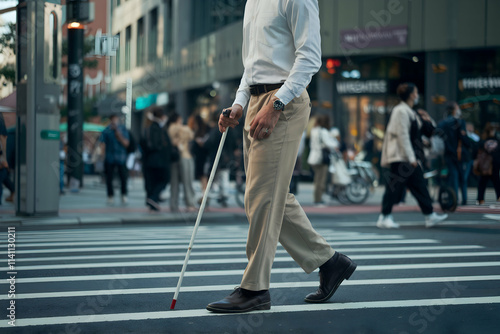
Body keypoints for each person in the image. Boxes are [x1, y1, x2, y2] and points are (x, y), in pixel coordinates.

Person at [208, 0, 356, 314]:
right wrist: (238, 103)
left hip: (283, 102)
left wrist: (277, 105)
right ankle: (331, 262)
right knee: (269, 195)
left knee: (262, 197)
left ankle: (254, 288)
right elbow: (252, 66)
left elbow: (310, 57)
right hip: (255, 100)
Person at [377, 83, 448, 229]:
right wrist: (411, 158)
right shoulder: (401, 111)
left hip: (408, 157)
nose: (417, 95)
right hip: (401, 157)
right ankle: (385, 216)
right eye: (415, 92)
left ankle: (429, 215)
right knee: (395, 187)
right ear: (411, 95)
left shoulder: (411, 111)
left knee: (417, 186)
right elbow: (402, 135)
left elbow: (423, 132)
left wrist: (427, 120)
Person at [437, 102, 471, 205]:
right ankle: (464, 199)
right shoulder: (460, 122)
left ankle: (454, 199)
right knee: (462, 178)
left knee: (453, 176)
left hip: (448, 153)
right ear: (454, 110)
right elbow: (464, 139)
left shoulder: (443, 123)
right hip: (459, 153)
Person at [141, 107, 172, 211]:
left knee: (153, 181)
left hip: (149, 160)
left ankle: (153, 202)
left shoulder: (147, 128)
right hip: (159, 160)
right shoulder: (159, 129)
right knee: (164, 179)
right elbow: (162, 145)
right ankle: (153, 199)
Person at [98, 113, 130, 205]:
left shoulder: (123, 129)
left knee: (123, 177)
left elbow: (126, 143)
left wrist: (118, 133)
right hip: (110, 157)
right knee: (109, 178)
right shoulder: (107, 130)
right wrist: (101, 155)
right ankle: (110, 195)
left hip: (121, 157)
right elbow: (102, 144)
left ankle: (124, 194)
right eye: (113, 120)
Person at [168, 112, 197, 212]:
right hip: (184, 156)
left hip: (175, 158)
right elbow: (191, 135)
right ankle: (190, 203)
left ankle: (173, 204)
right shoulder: (178, 127)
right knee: (187, 181)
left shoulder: (171, 128)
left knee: (174, 183)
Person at [307, 115, 338, 205]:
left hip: (313, 157)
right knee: (321, 180)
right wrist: (335, 144)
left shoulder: (313, 130)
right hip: (321, 158)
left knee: (317, 179)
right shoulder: (323, 131)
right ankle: (318, 199)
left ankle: (317, 197)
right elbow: (329, 143)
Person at [475, 123, 500, 205]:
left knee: (485, 182)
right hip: (490, 164)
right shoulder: (494, 140)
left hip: (489, 164)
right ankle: (481, 199)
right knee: (494, 182)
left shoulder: (483, 140)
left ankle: (480, 199)